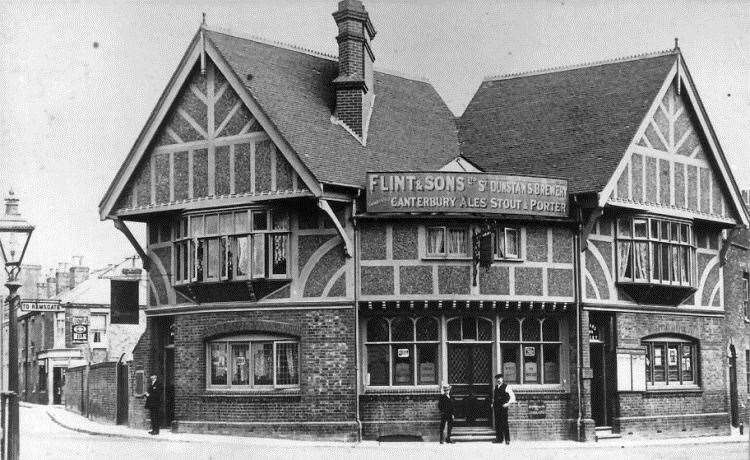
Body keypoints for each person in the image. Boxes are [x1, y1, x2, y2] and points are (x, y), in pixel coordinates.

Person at [491, 373, 515, 444]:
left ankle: (507, 439)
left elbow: (513, 397)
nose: (498, 380)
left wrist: (507, 404)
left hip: (503, 408)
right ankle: (499, 439)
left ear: (502, 379)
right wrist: (493, 404)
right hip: (497, 408)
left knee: (504, 423)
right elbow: (495, 397)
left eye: (500, 378)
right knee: (497, 423)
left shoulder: (507, 387)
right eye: (497, 379)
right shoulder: (496, 387)